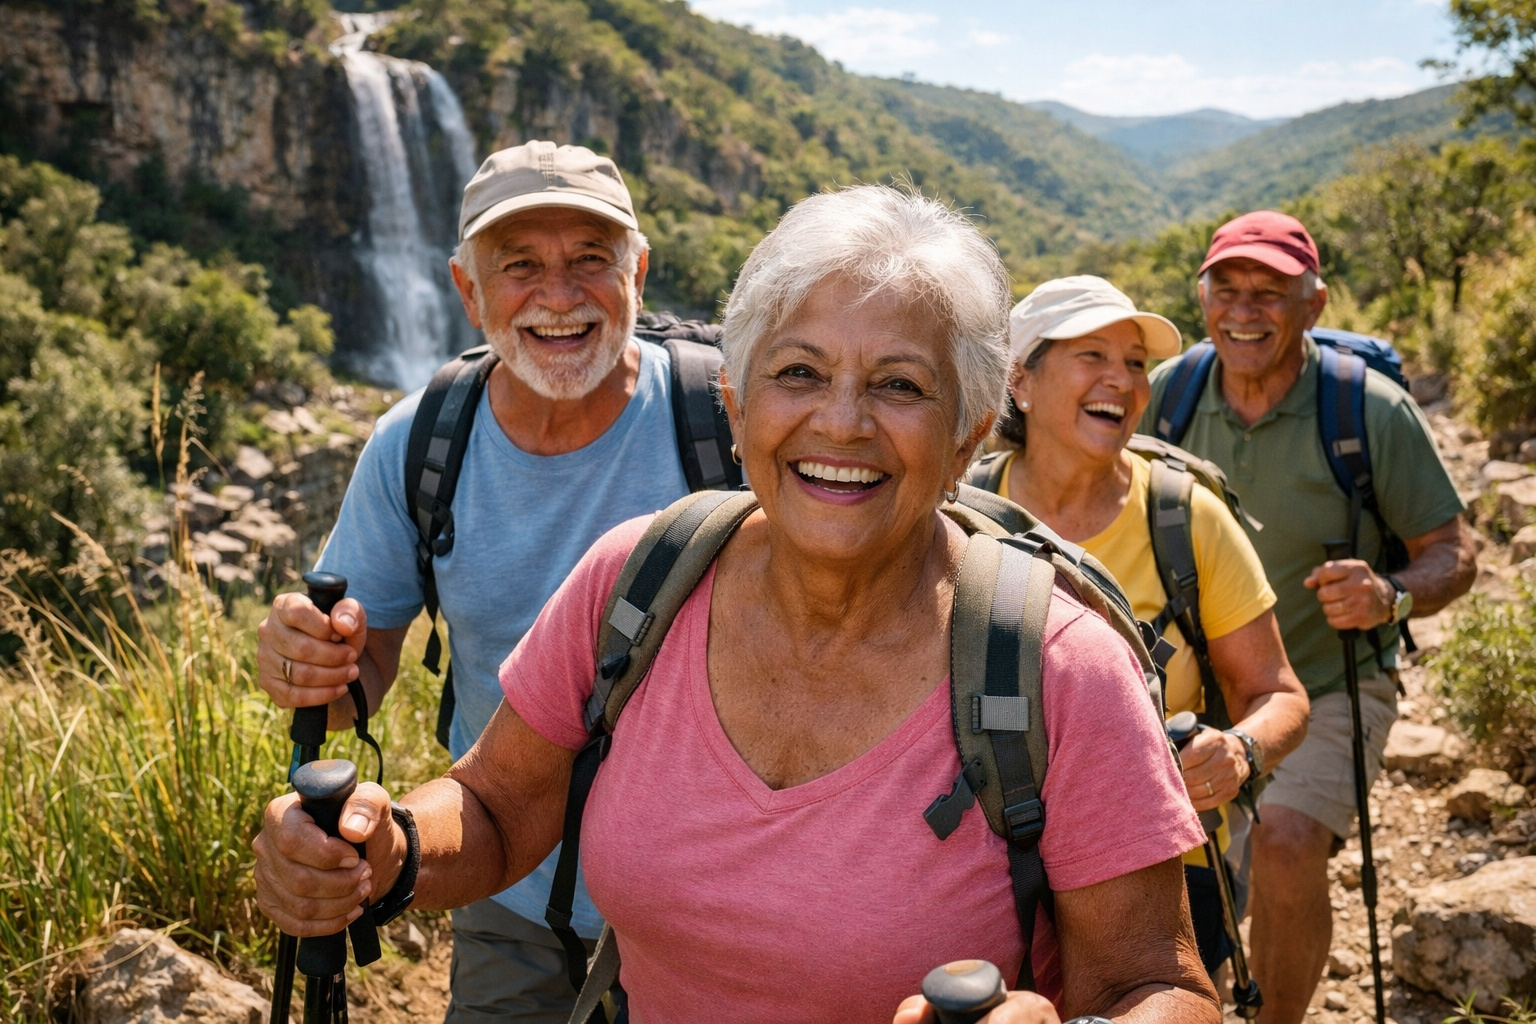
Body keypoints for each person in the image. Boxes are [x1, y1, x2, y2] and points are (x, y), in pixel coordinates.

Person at [251, 186, 1222, 1024]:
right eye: (798, 372)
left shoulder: (1058, 670)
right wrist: (389, 847)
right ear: (736, 404)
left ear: (969, 434)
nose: (841, 421)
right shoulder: (637, 583)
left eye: (899, 384)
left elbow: (1156, 981)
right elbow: (503, 803)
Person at [253, 141, 734, 1023]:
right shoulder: (419, 442)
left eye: (591, 259)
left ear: (638, 273)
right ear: (469, 291)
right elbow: (359, 670)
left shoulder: (725, 425)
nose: (558, 295)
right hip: (506, 889)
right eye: (520, 266)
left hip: (714, 908)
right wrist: (306, 666)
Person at [1137, 212, 1477, 1024]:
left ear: (1314, 306)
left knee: (1286, 841)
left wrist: (1390, 594)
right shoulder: (1170, 395)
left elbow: (1454, 552)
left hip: (1331, 683)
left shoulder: (1369, 411)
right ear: (1202, 297)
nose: (1244, 310)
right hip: (1198, 696)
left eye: (1269, 293)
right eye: (1228, 289)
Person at [973, 275, 1310, 982]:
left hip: (1161, 861)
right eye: (1092, 356)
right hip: (986, 862)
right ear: (1020, 381)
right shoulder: (962, 515)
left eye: (1133, 362)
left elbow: (1279, 693)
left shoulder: (1185, 518)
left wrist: (1240, 751)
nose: (1122, 381)